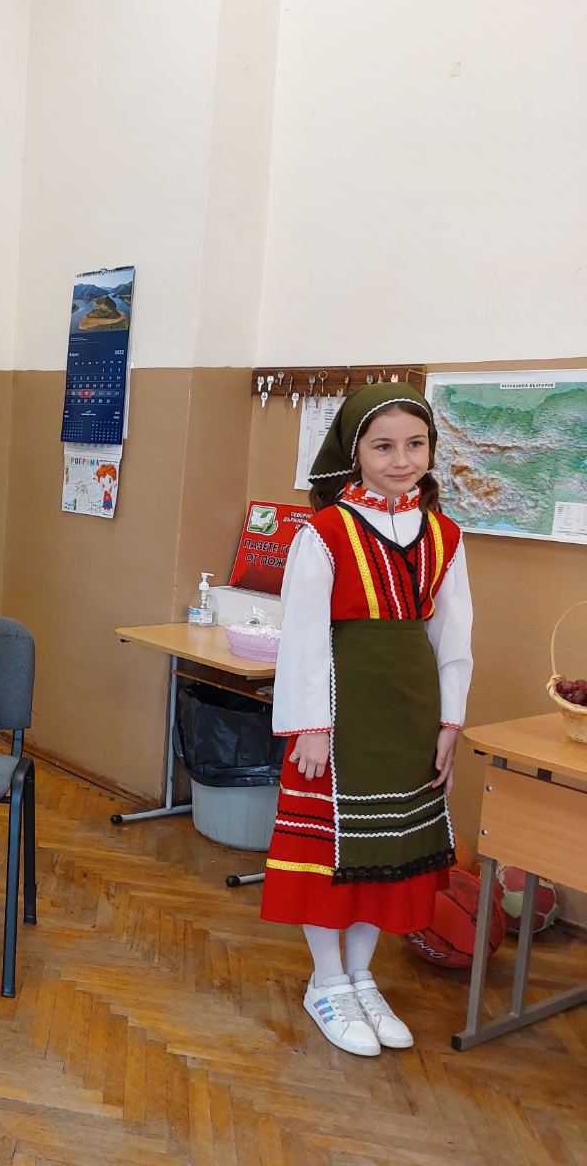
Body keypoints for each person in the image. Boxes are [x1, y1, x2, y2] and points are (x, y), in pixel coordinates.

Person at [262, 382, 473, 1057]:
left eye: (416, 444)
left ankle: (360, 976)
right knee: (330, 856)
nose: (401, 459)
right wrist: (312, 726)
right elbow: (302, 636)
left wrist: (449, 723)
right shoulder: (325, 532)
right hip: (339, 714)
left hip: (409, 717)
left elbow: (454, 637)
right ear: (355, 453)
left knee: (387, 856)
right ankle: (326, 980)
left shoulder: (444, 535)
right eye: (384, 446)